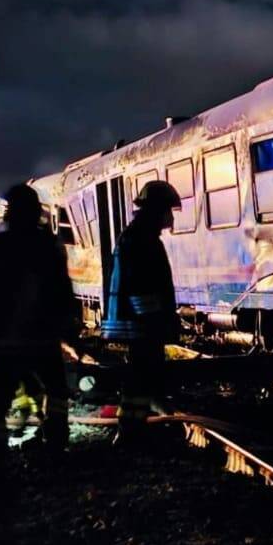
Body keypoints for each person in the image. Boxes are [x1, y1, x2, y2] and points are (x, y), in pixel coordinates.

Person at [0, 184, 77, 477]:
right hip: (41, 338)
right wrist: (69, 330)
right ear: (38, 213)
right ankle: (57, 446)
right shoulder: (48, 247)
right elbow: (61, 292)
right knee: (57, 391)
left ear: (7, 215)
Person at [100, 180, 181, 446]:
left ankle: (137, 426)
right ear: (157, 210)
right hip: (141, 323)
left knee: (142, 375)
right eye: (168, 210)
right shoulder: (141, 239)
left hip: (139, 321)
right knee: (141, 375)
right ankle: (131, 431)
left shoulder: (137, 235)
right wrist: (156, 320)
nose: (170, 217)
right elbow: (142, 284)